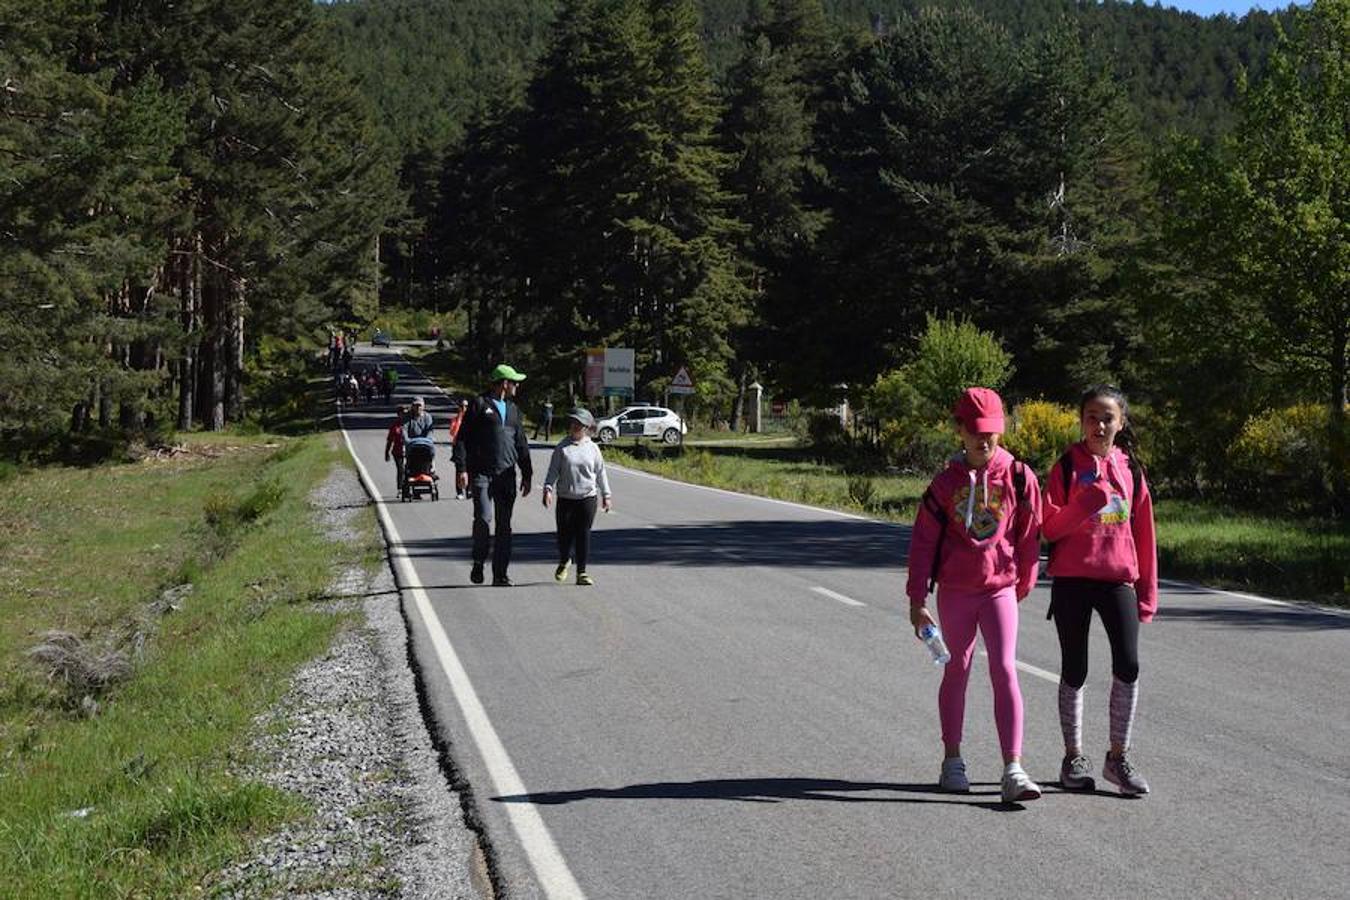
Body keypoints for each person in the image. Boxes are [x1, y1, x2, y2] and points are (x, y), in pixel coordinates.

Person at [907, 387, 1043, 804]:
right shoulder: (944, 484)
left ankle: (1013, 768)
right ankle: (953, 760)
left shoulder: (1018, 476)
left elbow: (1030, 532)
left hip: (999, 588)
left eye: (993, 433)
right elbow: (924, 543)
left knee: (1004, 668)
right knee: (958, 669)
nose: (985, 442)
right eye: (977, 433)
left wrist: (1025, 578)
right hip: (956, 592)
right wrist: (917, 601)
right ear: (959, 432)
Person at [1043, 384, 1157, 796]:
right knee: (1075, 668)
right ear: (1081, 421)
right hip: (1073, 579)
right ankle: (1073, 758)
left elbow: (1144, 534)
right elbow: (1049, 527)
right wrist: (1083, 505)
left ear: (1120, 423)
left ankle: (1117, 757)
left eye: (1108, 417)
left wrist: (1148, 592)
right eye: (1092, 416)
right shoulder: (1066, 467)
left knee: (1128, 665)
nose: (1099, 424)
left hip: (1118, 580)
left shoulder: (1132, 471)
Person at [452, 365, 532, 586]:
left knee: (504, 526)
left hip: (506, 476)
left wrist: (527, 474)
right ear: (504, 383)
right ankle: (479, 562)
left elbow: (521, 444)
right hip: (481, 474)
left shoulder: (514, 410)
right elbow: (461, 439)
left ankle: (500, 574)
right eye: (514, 382)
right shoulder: (479, 404)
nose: (517, 386)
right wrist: (462, 469)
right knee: (483, 519)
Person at [542, 408, 612, 586]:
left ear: (586, 427)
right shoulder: (562, 447)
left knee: (583, 535)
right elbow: (553, 470)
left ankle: (582, 572)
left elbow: (600, 472)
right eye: (572, 423)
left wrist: (606, 494)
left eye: (578, 424)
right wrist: (548, 489)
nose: (574, 426)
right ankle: (565, 559)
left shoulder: (593, 448)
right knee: (564, 535)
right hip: (566, 498)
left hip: (587, 498)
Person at [385, 405, 408, 491]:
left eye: (406, 414)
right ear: (398, 414)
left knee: (409, 470)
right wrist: (387, 452)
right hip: (398, 451)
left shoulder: (410, 424)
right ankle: (400, 488)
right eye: (402, 413)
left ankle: (410, 488)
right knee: (401, 469)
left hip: (410, 450)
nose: (404, 416)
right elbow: (390, 440)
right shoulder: (395, 426)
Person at [449, 399, 469, 499]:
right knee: (459, 469)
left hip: (469, 445)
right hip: (458, 446)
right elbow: (453, 433)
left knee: (470, 467)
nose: (464, 408)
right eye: (462, 406)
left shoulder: (471, 419)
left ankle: (469, 489)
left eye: (466, 406)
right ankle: (459, 491)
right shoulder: (455, 420)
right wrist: (459, 419)